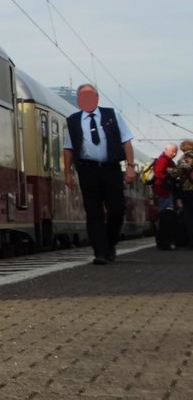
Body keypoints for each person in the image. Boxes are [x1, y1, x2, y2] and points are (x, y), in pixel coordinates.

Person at [61, 84, 136, 265]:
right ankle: (100, 252)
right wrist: (68, 173)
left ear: (96, 98)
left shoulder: (112, 115)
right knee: (94, 212)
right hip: (88, 170)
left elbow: (126, 141)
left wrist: (130, 166)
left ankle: (110, 243)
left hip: (110, 168)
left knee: (117, 210)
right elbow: (68, 148)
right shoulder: (73, 121)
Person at [152, 143, 179, 211]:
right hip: (162, 189)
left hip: (165, 189)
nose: (174, 154)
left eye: (175, 152)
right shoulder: (163, 160)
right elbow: (158, 173)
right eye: (172, 151)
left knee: (166, 209)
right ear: (166, 150)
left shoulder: (168, 160)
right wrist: (168, 177)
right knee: (165, 210)